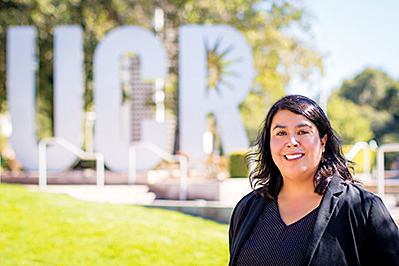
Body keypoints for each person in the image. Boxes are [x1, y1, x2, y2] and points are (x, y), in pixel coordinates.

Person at [229, 95, 399, 266]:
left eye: (303, 132)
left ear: (323, 141)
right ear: (269, 144)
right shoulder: (246, 209)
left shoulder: (362, 208)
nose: (291, 142)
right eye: (281, 133)